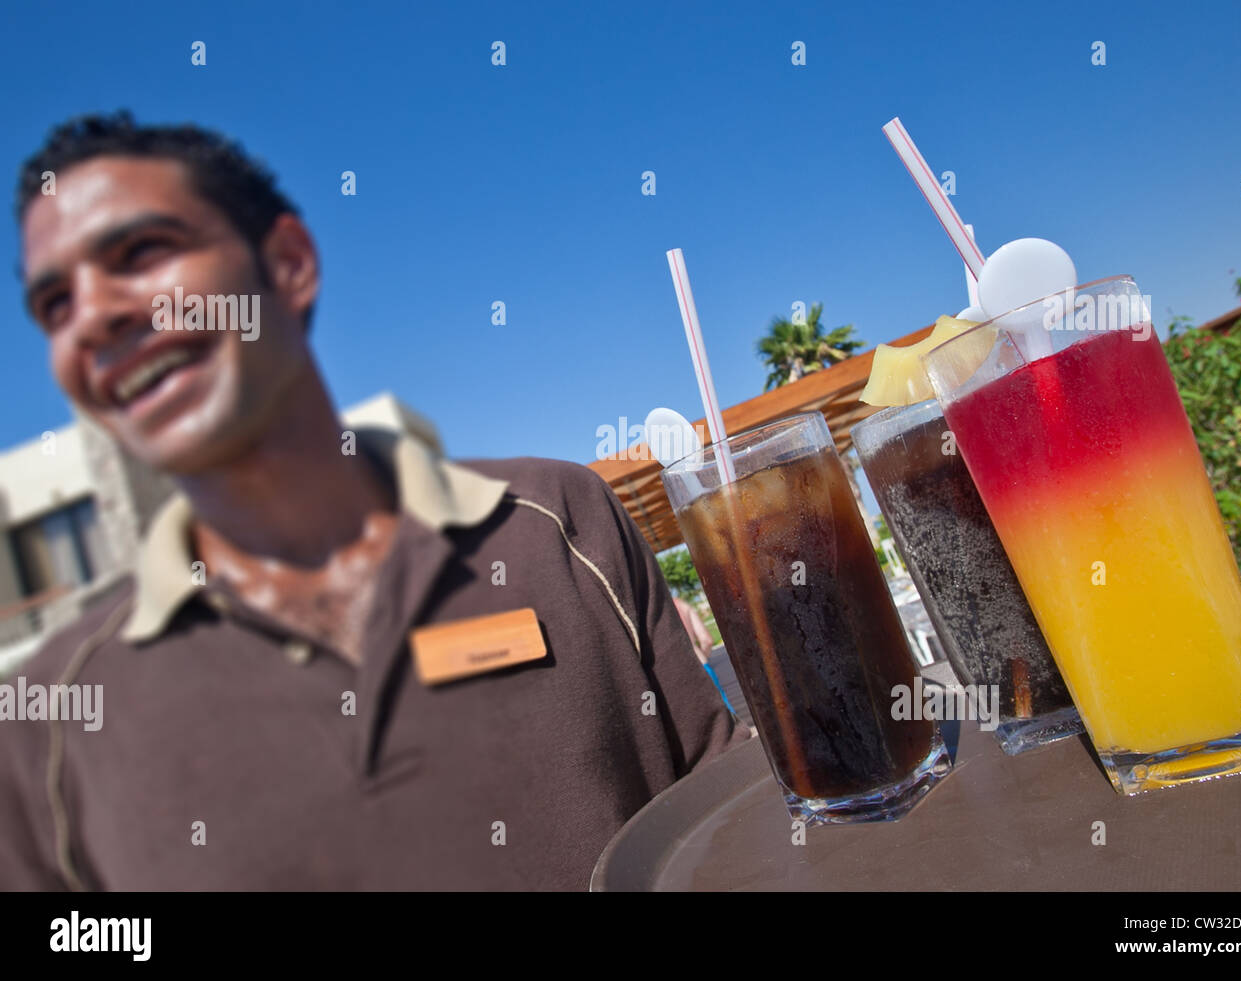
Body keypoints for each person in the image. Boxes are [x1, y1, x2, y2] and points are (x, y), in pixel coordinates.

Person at [0, 112, 748, 891]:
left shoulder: (558, 524)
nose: (91, 316)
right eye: (55, 303)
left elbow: (730, 823)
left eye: (141, 251)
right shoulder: (45, 720)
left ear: (288, 264)